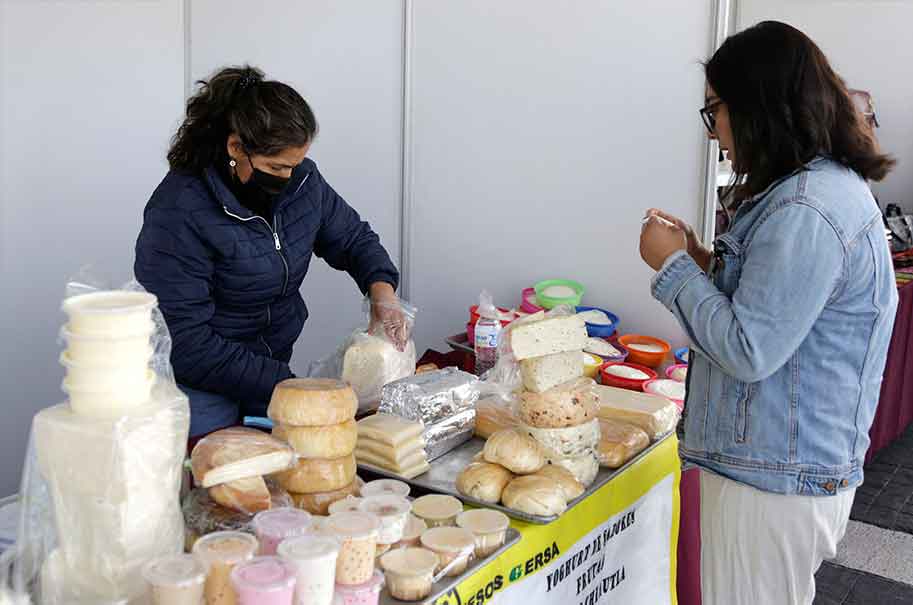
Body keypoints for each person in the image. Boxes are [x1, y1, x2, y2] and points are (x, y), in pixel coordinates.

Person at [639, 22, 897, 605]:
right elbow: (775, 309)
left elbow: (749, 349)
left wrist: (674, 269)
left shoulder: (807, 207)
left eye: (715, 112)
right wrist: (703, 260)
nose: (715, 134)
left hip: (772, 479)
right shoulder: (812, 192)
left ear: (757, 105)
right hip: (778, 468)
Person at [135, 66, 402, 438]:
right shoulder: (179, 210)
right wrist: (288, 383)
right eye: (277, 167)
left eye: (294, 165)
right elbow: (186, 342)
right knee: (218, 479)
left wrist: (382, 293)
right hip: (201, 385)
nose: (289, 177)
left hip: (269, 367)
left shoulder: (303, 182)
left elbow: (354, 239)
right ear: (235, 148)